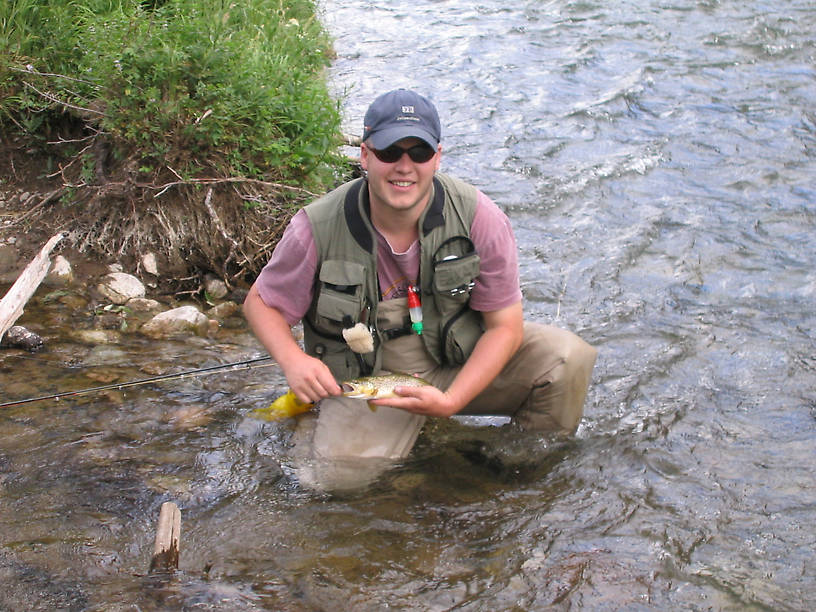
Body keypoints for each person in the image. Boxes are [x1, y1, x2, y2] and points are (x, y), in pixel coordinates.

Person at [244, 89, 597, 489]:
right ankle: (315, 422)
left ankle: (509, 473)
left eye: (419, 153)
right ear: (365, 156)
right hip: (372, 380)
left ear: (438, 157)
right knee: (336, 484)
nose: (404, 167)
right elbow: (261, 304)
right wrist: (294, 361)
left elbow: (505, 328)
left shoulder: (480, 217)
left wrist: (452, 402)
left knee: (566, 360)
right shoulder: (316, 226)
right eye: (390, 152)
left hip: (454, 360)